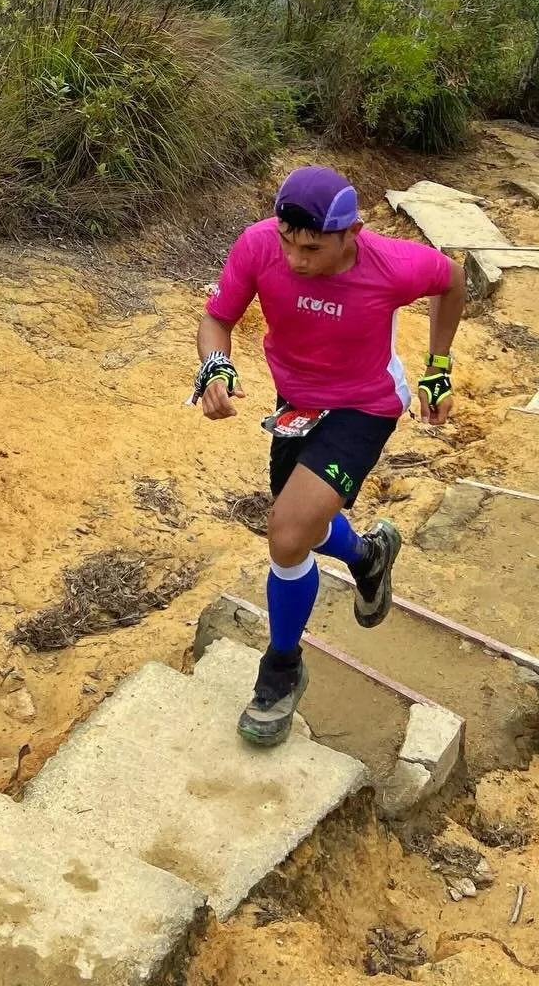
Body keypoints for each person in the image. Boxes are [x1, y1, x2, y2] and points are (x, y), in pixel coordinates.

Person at [194, 163, 465, 746]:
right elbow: (218, 317)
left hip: (365, 405)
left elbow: (453, 279)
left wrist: (438, 368)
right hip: (296, 404)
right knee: (305, 528)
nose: (295, 259)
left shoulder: (391, 264)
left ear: (351, 234)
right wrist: (215, 366)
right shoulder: (257, 245)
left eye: (312, 248)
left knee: (288, 531)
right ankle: (367, 556)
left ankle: (282, 670)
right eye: (288, 242)